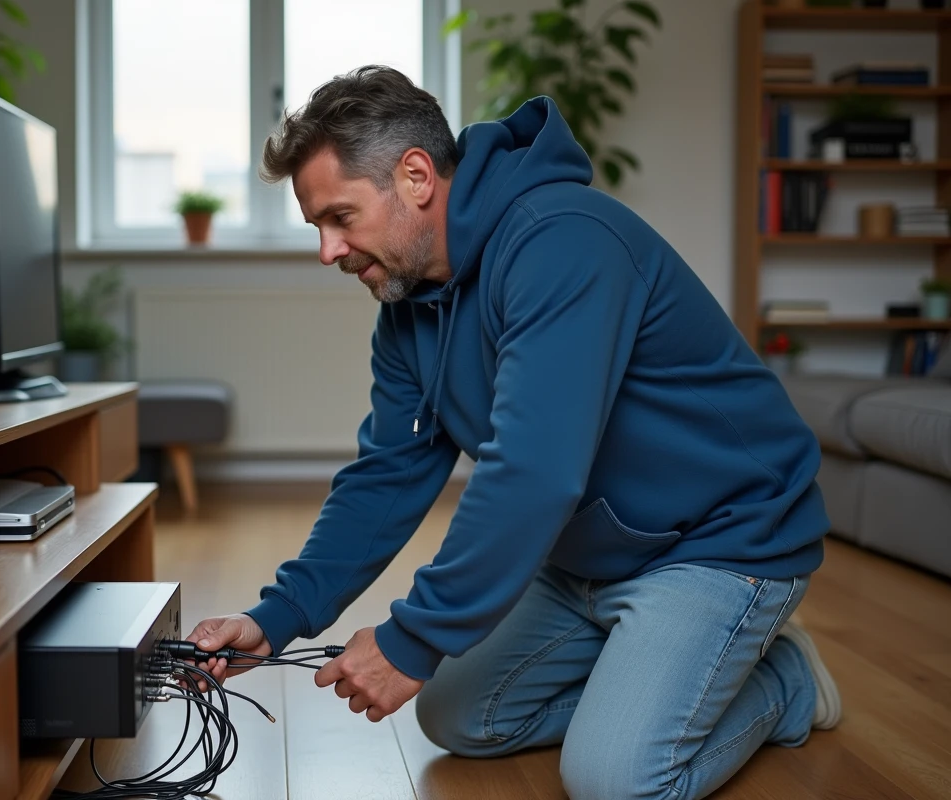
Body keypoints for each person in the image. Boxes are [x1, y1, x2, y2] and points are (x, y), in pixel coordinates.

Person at [184, 65, 840, 800]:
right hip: (589, 558)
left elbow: (533, 468)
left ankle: (783, 681)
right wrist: (276, 618)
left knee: (614, 782)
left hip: (719, 542)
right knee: (459, 717)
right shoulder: (407, 305)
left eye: (340, 217)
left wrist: (417, 638)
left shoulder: (561, 241)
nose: (328, 252)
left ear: (415, 176)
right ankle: (651, 678)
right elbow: (387, 475)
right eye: (318, 228)